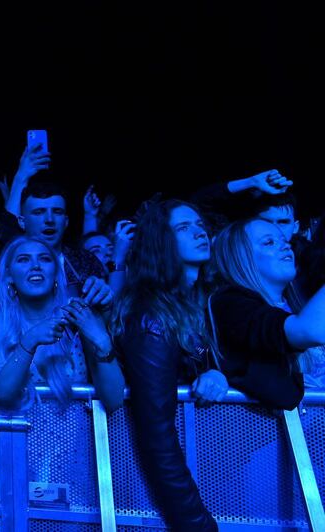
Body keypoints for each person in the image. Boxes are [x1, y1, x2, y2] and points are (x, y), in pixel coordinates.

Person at [112, 200, 224, 531]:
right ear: (161, 240)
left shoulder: (181, 305)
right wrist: (194, 522)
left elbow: (196, 348)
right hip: (160, 492)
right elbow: (155, 430)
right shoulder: (152, 317)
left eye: (199, 224)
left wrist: (211, 368)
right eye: (183, 228)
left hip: (195, 466)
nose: (199, 232)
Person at [0, 236, 124, 411]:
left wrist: (103, 341)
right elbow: (3, 394)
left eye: (44, 259)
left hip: (75, 433)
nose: (35, 266)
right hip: (20, 434)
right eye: (24, 259)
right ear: (9, 276)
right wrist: (30, 340)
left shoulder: (77, 314)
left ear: (56, 273)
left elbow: (114, 400)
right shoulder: (2, 320)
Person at [210, 219, 325, 403]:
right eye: (269, 242)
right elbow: (308, 331)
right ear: (240, 256)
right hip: (275, 429)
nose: (285, 247)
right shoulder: (230, 303)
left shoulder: (300, 304)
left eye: (284, 241)